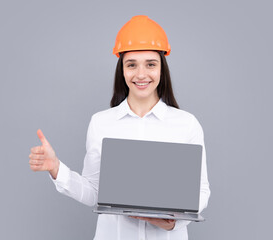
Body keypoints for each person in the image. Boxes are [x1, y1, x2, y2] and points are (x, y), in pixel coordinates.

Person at [29, 15, 210, 240]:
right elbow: (95, 193)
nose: (141, 74)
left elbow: (201, 193)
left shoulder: (186, 124)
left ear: (161, 68)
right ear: (122, 70)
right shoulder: (101, 122)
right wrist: (56, 168)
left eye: (150, 64)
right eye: (131, 64)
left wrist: (171, 223)